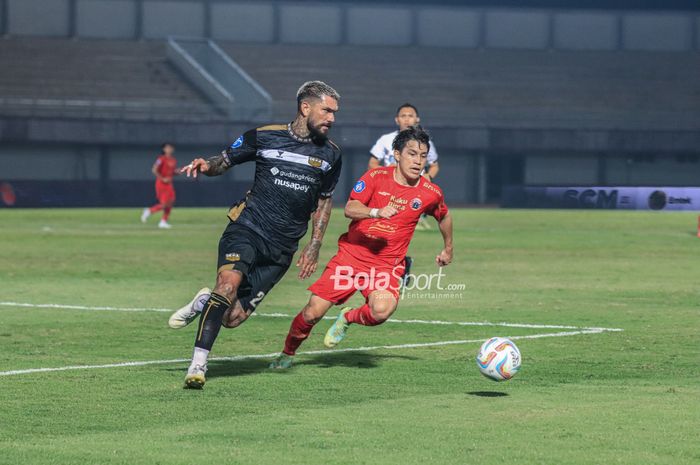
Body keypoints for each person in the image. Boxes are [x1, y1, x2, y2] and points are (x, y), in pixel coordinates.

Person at [170, 81, 342, 389]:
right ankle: (197, 366)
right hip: (248, 228)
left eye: (334, 112)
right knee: (228, 283)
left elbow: (324, 202)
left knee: (232, 317)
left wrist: (315, 245)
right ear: (306, 107)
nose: (331, 118)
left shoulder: (331, 155)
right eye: (326, 110)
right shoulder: (263, 137)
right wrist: (205, 165)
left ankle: (204, 303)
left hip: (282, 247)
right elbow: (223, 161)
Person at [269, 126, 453, 369]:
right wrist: (376, 212)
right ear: (397, 154)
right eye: (412, 154)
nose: (418, 161)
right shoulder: (375, 177)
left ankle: (347, 317)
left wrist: (448, 248)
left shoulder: (430, 192)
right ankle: (287, 353)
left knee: (381, 311)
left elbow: (444, 217)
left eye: (422, 156)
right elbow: (350, 208)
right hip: (351, 258)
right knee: (313, 313)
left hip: (386, 265)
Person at [141, 143, 180, 229]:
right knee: (164, 204)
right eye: (167, 147)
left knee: (170, 202)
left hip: (169, 184)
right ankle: (149, 211)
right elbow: (154, 169)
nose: (169, 149)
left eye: (171, 147)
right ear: (164, 149)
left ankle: (163, 221)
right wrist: (162, 178)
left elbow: (172, 172)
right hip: (161, 184)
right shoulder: (161, 159)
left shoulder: (173, 160)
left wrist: (178, 172)